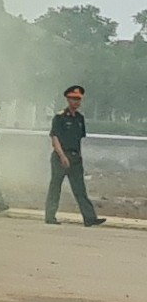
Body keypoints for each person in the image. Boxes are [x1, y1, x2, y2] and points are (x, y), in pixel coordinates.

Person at [47, 86, 105, 227]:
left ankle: (89, 218)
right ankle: (50, 216)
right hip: (61, 156)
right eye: (74, 99)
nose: (76, 102)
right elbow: (55, 138)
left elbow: (79, 139)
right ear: (68, 99)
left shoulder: (79, 118)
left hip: (75, 158)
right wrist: (62, 156)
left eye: (79, 99)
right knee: (55, 187)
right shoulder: (60, 117)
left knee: (80, 189)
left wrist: (77, 157)